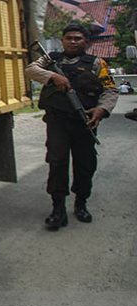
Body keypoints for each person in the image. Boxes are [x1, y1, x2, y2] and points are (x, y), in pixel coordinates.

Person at [25, 23, 118, 230]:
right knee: (57, 162)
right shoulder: (51, 60)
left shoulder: (96, 63)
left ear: (86, 41)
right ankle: (58, 209)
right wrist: (53, 76)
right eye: (69, 38)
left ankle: (81, 202)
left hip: (85, 122)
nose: (73, 41)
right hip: (58, 121)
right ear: (62, 40)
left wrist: (101, 110)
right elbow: (30, 69)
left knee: (85, 164)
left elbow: (110, 90)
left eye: (78, 38)